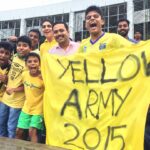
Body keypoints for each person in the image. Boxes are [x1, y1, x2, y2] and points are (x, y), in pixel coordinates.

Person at [0, 36, 31, 138]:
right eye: (19, 45)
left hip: (17, 103)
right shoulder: (14, 57)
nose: (21, 48)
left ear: (30, 48)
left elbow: (28, 84)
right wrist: (5, 79)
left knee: (11, 128)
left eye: (25, 46)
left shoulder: (30, 63)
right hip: (5, 99)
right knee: (1, 125)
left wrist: (14, 89)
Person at [16, 53, 44, 143]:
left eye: (35, 61)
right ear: (26, 64)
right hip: (26, 108)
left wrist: (44, 77)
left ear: (39, 64)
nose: (32, 63)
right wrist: (13, 89)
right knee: (19, 131)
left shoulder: (44, 77)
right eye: (30, 61)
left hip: (39, 110)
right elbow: (23, 86)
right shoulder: (24, 74)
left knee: (32, 131)